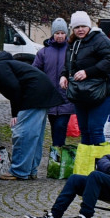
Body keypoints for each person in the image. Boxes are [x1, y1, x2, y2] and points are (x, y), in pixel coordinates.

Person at [0, 52, 64, 180]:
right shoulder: (11, 65)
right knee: (34, 135)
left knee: (24, 134)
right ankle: (30, 169)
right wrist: (15, 113)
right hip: (42, 94)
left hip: (33, 96)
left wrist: (16, 112)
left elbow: (14, 89)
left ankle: (19, 170)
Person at [61, 11, 110, 146]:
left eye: (83, 26)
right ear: (72, 29)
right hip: (82, 92)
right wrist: (63, 75)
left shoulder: (101, 39)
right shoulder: (73, 43)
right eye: (76, 27)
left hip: (103, 90)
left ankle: (101, 164)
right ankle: (86, 164)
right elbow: (69, 63)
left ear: (89, 26)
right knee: (84, 130)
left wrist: (88, 72)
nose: (80, 29)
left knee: (95, 129)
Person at [33, 18, 74, 149]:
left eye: (62, 33)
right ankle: (56, 151)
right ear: (53, 34)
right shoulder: (43, 52)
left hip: (66, 97)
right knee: (54, 127)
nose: (60, 36)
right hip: (50, 97)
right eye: (57, 33)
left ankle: (58, 149)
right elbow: (35, 71)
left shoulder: (72, 50)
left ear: (66, 33)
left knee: (61, 126)